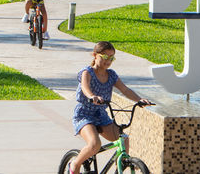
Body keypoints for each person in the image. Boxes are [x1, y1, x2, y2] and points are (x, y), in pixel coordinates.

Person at [65, 41, 152, 174]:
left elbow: (125, 89)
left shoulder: (111, 75)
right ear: (95, 55)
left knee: (124, 138)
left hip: (101, 115)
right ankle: (75, 164)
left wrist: (139, 100)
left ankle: (120, 169)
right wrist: (92, 96)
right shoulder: (87, 72)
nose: (108, 61)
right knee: (95, 144)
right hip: (84, 114)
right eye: (105, 57)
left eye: (112, 58)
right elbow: (85, 87)